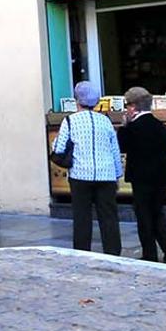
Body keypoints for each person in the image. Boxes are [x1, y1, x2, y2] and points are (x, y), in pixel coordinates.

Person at [53, 80, 123, 255]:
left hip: (80, 175)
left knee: (82, 217)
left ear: (77, 100)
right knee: (109, 217)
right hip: (106, 175)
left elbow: (59, 149)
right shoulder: (105, 121)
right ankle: (113, 252)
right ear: (97, 101)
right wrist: (117, 175)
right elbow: (115, 149)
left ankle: (82, 252)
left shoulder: (69, 121)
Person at [118, 86, 166, 263]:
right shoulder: (159, 125)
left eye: (127, 105)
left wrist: (124, 126)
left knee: (143, 215)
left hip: (141, 178)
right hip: (160, 176)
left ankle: (149, 252)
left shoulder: (132, 128)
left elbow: (123, 147)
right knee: (158, 212)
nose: (126, 108)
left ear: (134, 106)